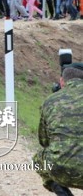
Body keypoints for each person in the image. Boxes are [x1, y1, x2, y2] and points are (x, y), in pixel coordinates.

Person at [33, 63, 83, 195]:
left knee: (39, 159)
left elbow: (44, 141)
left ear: (62, 81)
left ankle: (59, 189)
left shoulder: (50, 101)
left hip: (60, 169)